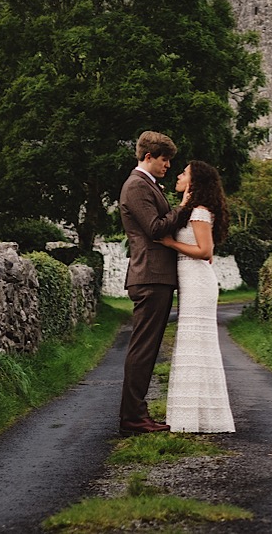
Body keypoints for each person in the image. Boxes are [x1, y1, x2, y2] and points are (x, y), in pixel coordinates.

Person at [117, 130, 189, 434]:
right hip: (149, 276)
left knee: (147, 348)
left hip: (156, 277)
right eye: (164, 159)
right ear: (148, 157)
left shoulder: (147, 184)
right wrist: (184, 206)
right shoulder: (136, 186)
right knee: (143, 350)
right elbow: (156, 228)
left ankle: (136, 414)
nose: (168, 165)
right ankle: (133, 418)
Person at [159, 160, 236, 433]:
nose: (178, 175)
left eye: (184, 173)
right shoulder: (190, 209)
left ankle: (200, 417)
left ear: (193, 181)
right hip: (191, 282)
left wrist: (171, 243)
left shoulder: (201, 213)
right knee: (192, 345)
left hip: (199, 282)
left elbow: (206, 252)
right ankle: (192, 417)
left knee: (197, 345)